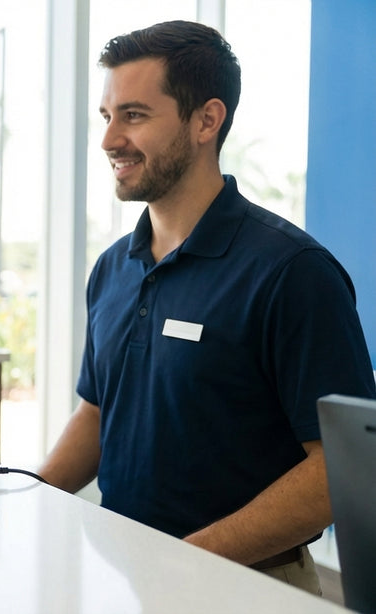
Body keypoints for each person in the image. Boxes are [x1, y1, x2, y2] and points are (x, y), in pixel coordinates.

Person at [36, 20, 376, 594]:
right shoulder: (113, 269)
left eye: (134, 116)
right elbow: (97, 415)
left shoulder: (292, 271)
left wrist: (185, 560)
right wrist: (22, 493)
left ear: (206, 120)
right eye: (108, 116)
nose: (110, 139)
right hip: (126, 573)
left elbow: (334, 472)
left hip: (248, 583)